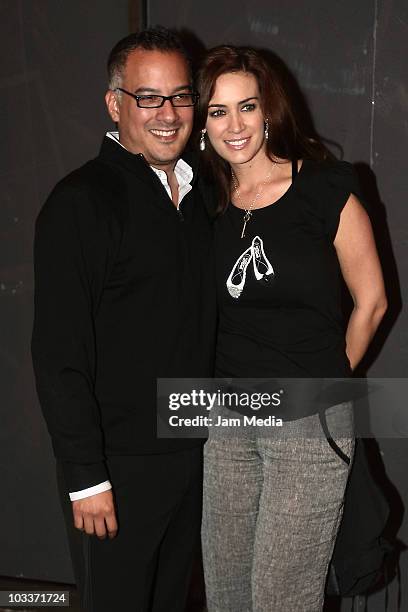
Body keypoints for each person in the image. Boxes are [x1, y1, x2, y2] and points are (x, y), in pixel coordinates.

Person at [196, 45, 387, 611]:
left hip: (305, 423)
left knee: (281, 599)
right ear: (203, 123)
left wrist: (323, 385)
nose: (235, 125)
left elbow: (372, 301)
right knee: (227, 596)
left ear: (269, 110)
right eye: (218, 111)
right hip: (226, 420)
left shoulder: (325, 188)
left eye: (246, 106)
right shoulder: (206, 203)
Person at [31, 27, 216, 612]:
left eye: (181, 96)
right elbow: (59, 352)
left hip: (191, 459)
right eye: (149, 98)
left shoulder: (200, 197)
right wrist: (87, 476)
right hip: (115, 471)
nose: (168, 114)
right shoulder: (81, 201)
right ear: (116, 104)